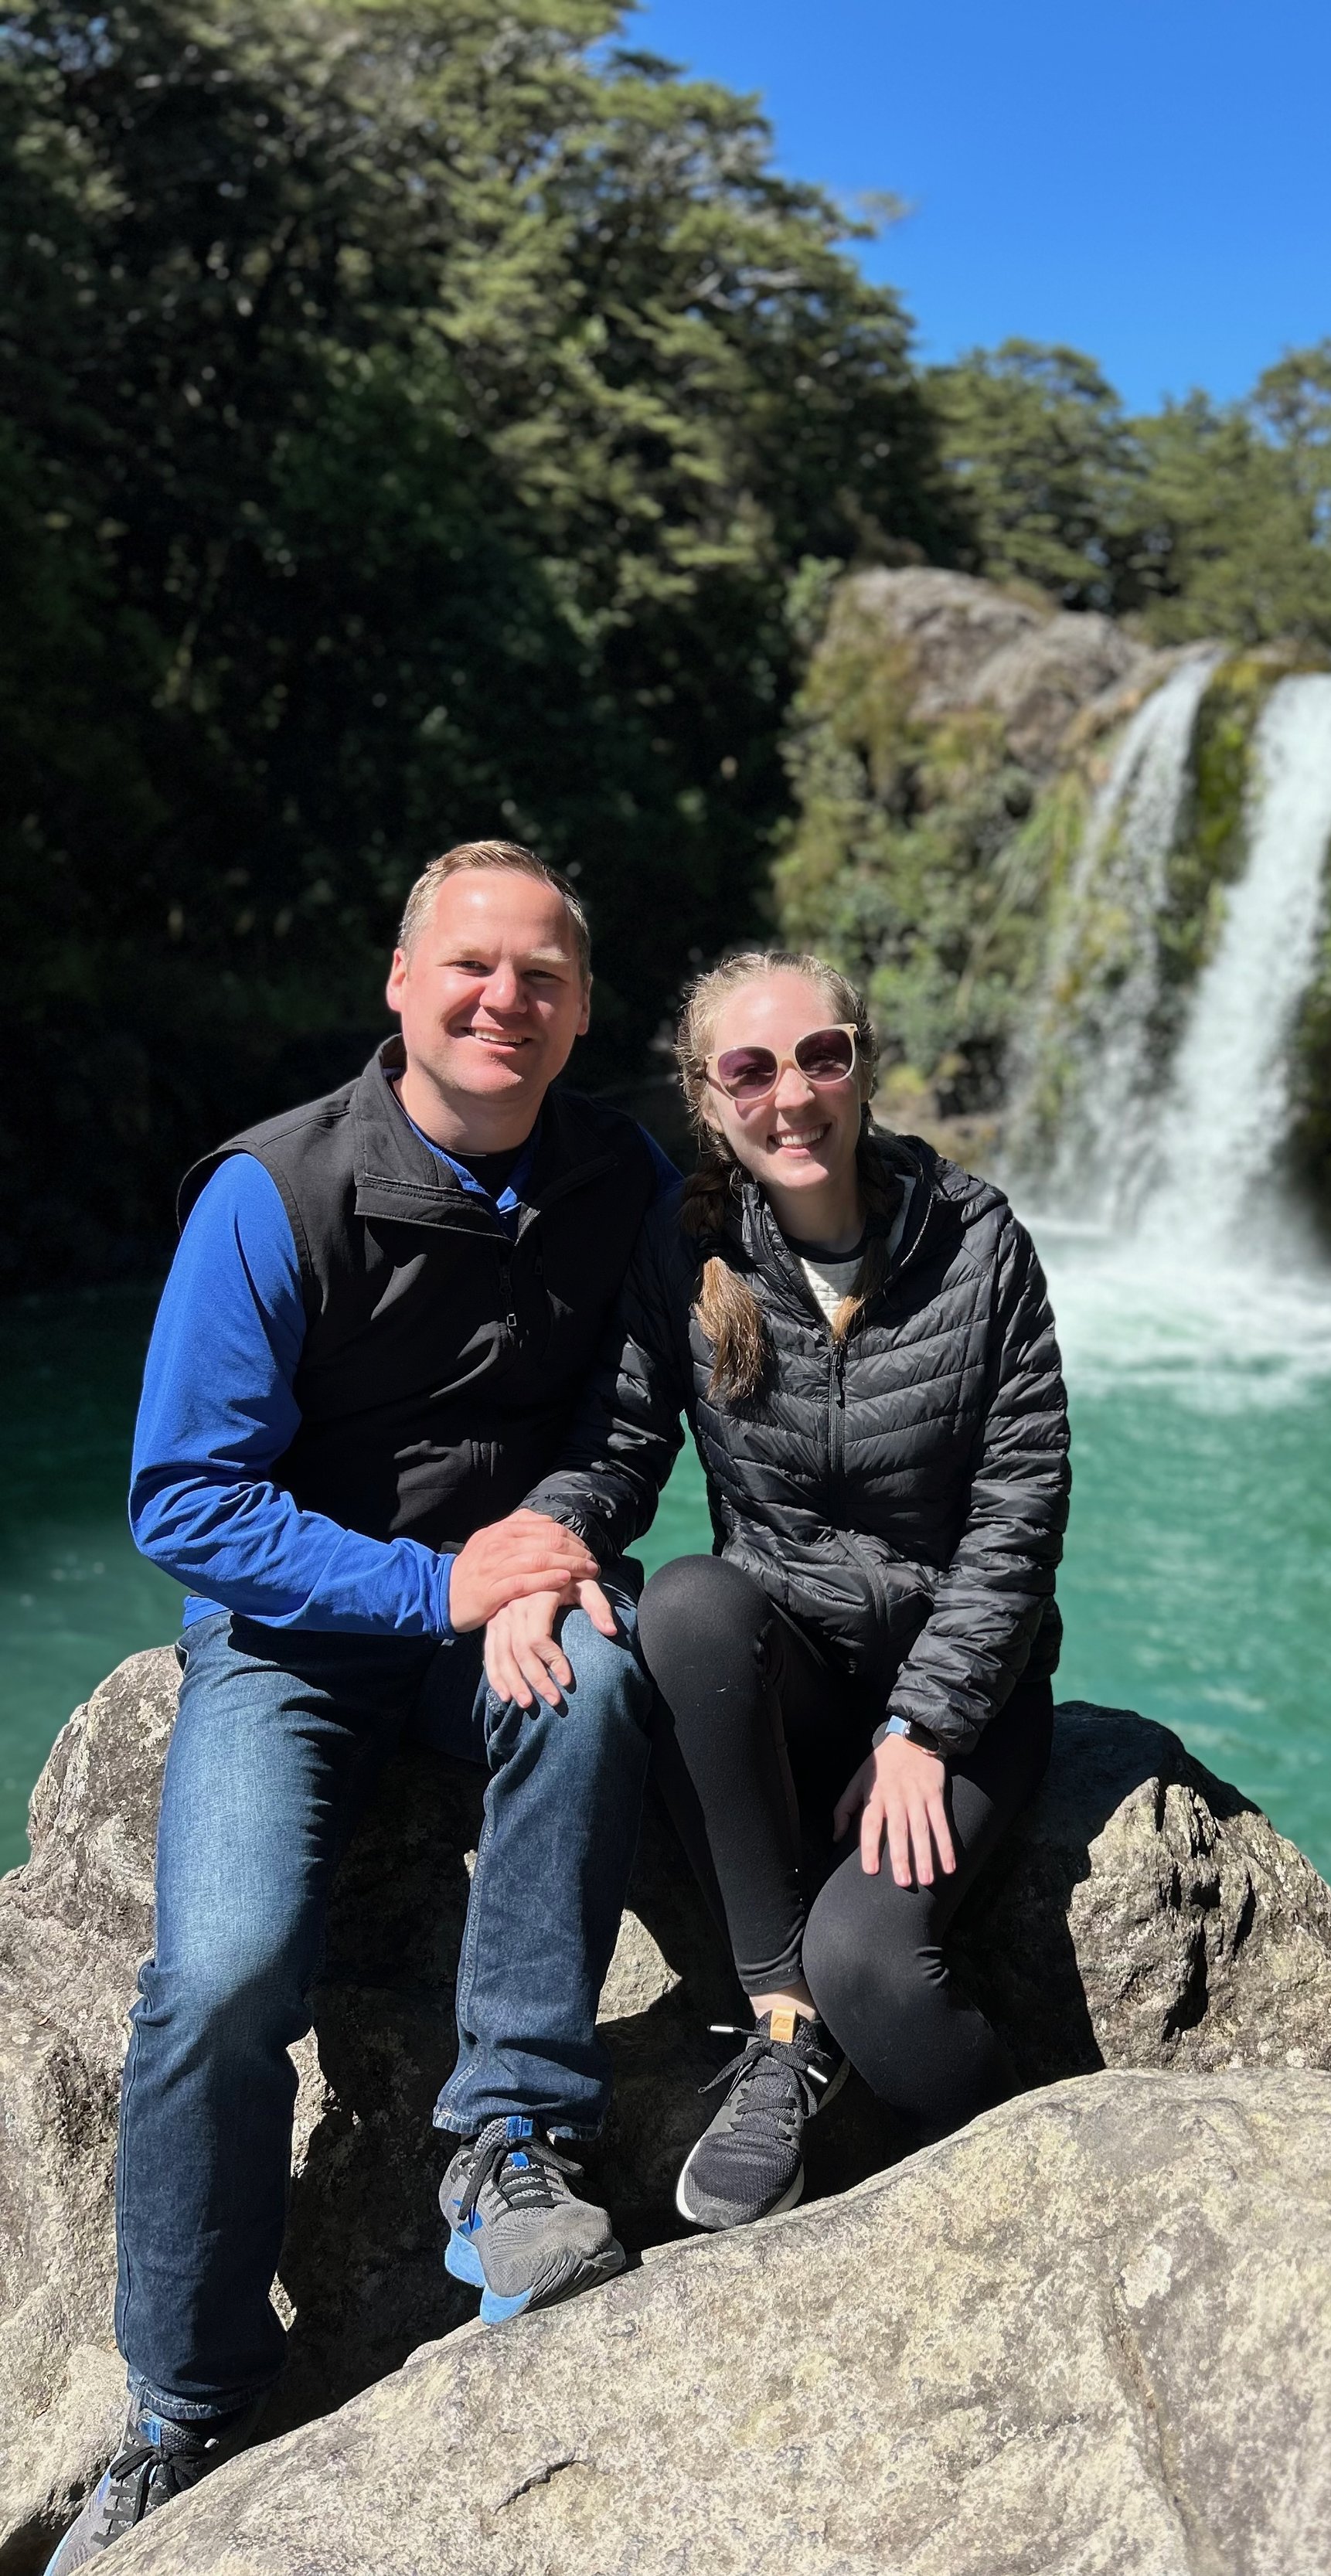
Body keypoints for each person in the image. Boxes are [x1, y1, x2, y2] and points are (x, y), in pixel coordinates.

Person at [46, 842, 676, 2573]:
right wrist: (430, 1585)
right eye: (472, 965)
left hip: (498, 1616)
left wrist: (559, 1544)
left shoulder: (621, 1172)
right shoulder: (273, 1190)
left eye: (542, 975)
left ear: (579, 1009)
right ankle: (182, 2405)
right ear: (399, 984)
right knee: (228, 1971)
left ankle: (511, 2145)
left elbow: (628, 1416)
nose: (505, 999)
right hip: (293, 1638)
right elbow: (185, 1497)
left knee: (600, 1676)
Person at [490, 948, 1071, 2234]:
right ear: (709, 1098)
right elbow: (622, 1442)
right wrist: (542, 1548)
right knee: (689, 1600)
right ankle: (778, 2021)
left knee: (881, 1970)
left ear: (864, 1063)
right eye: (751, 1068)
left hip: (960, 1704)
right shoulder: (692, 1246)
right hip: (792, 1677)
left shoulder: (979, 1242)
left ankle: (1046, 2193)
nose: (793, 1095)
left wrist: (925, 1728)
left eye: (822, 1056)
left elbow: (1019, 1516)